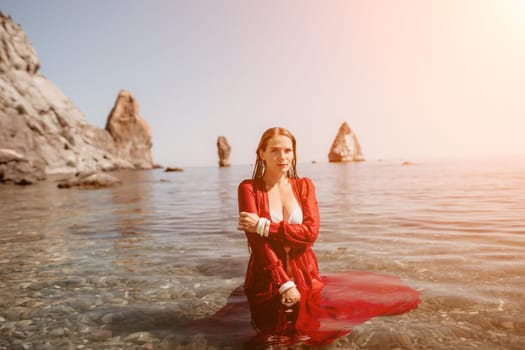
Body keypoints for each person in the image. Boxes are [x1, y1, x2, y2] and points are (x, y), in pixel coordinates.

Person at [236, 127, 421, 346]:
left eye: (288, 150)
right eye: (275, 150)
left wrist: (265, 225)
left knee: (312, 337)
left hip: (306, 275)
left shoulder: (304, 186)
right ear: (261, 153)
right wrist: (284, 283)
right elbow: (258, 244)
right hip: (265, 278)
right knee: (269, 339)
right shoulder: (248, 188)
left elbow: (310, 234)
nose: (282, 157)